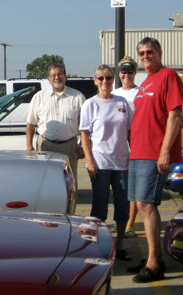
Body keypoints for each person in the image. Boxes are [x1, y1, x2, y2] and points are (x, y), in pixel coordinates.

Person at [127, 37, 183, 283]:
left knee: (147, 204)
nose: (145, 56)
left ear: (159, 53)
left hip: (154, 151)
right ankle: (152, 255)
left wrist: (165, 151)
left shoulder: (169, 76)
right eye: (141, 53)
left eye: (149, 51)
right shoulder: (145, 82)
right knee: (140, 205)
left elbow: (175, 114)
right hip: (137, 152)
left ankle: (155, 264)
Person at [80, 65, 133, 261]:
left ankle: (120, 245)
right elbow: (84, 134)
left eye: (108, 78)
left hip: (121, 162)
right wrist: (89, 160)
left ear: (113, 80)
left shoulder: (122, 102)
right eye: (101, 78)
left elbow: (129, 132)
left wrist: (133, 156)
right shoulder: (90, 104)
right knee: (99, 207)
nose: (105, 81)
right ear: (95, 81)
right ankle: (97, 246)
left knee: (123, 206)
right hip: (100, 162)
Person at [24, 62, 86, 178]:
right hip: (45, 146)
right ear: (49, 79)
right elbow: (31, 124)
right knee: (44, 180)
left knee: (68, 182)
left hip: (69, 147)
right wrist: (29, 146)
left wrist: (82, 146)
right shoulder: (39, 97)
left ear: (65, 77)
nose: (57, 77)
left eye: (60, 74)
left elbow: (85, 126)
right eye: (53, 75)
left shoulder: (78, 97)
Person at [112, 56, 140, 239]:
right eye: (123, 71)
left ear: (135, 73)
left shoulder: (140, 93)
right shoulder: (114, 93)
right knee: (121, 188)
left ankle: (130, 224)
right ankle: (120, 222)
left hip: (136, 144)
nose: (126, 75)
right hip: (119, 147)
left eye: (130, 71)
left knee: (133, 187)